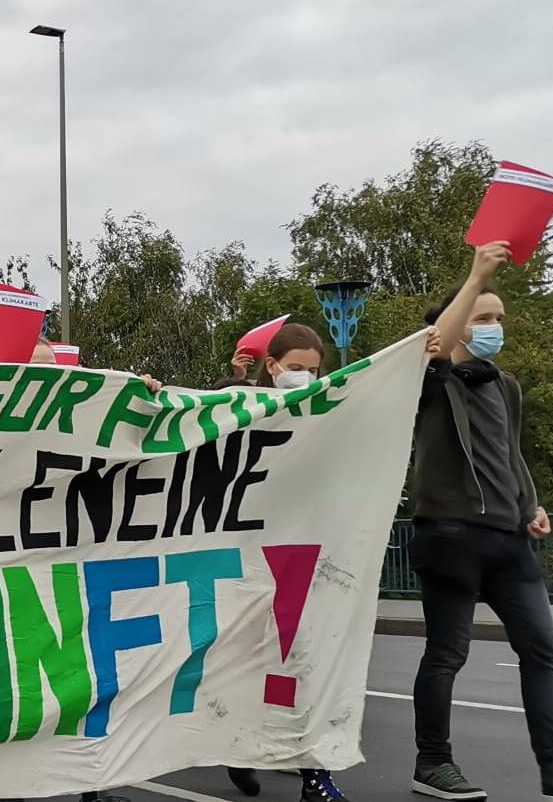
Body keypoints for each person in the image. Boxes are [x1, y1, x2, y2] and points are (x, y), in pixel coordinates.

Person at [406, 241, 553, 802]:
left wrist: (530, 503)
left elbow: (509, 454)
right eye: (482, 318)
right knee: (446, 653)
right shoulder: (429, 384)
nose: (493, 327)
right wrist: (478, 272)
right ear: (454, 327)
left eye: (499, 319)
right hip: (449, 537)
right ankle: (433, 762)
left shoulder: (504, 385)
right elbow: (434, 357)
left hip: (508, 541)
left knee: (542, 650)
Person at [210, 322, 359, 802]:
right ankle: (240, 748)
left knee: (307, 662)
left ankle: (316, 776)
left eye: (313, 370)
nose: (306, 377)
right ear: (272, 367)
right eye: (296, 369)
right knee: (247, 662)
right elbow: (204, 414)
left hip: (303, 553)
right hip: (245, 555)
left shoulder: (324, 410)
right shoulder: (241, 403)